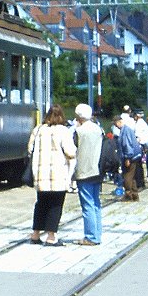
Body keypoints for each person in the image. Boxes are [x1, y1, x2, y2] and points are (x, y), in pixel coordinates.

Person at [27, 105, 77, 247]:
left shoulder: (38, 130)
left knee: (41, 204)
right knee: (55, 205)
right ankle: (51, 236)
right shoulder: (63, 131)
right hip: (57, 174)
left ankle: (35, 234)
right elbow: (70, 152)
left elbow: (30, 149)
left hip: (40, 174)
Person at [72, 104, 104, 245]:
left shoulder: (79, 131)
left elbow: (73, 149)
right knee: (96, 203)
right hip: (98, 169)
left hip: (84, 170)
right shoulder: (99, 129)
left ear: (79, 116)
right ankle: (97, 234)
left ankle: (91, 236)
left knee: (87, 205)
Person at [114, 114, 142, 201]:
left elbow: (127, 145)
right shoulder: (126, 130)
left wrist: (127, 158)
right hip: (135, 155)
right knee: (132, 175)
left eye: (115, 124)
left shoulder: (125, 131)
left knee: (127, 176)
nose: (115, 126)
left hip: (130, 156)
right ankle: (134, 194)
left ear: (119, 122)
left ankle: (128, 194)